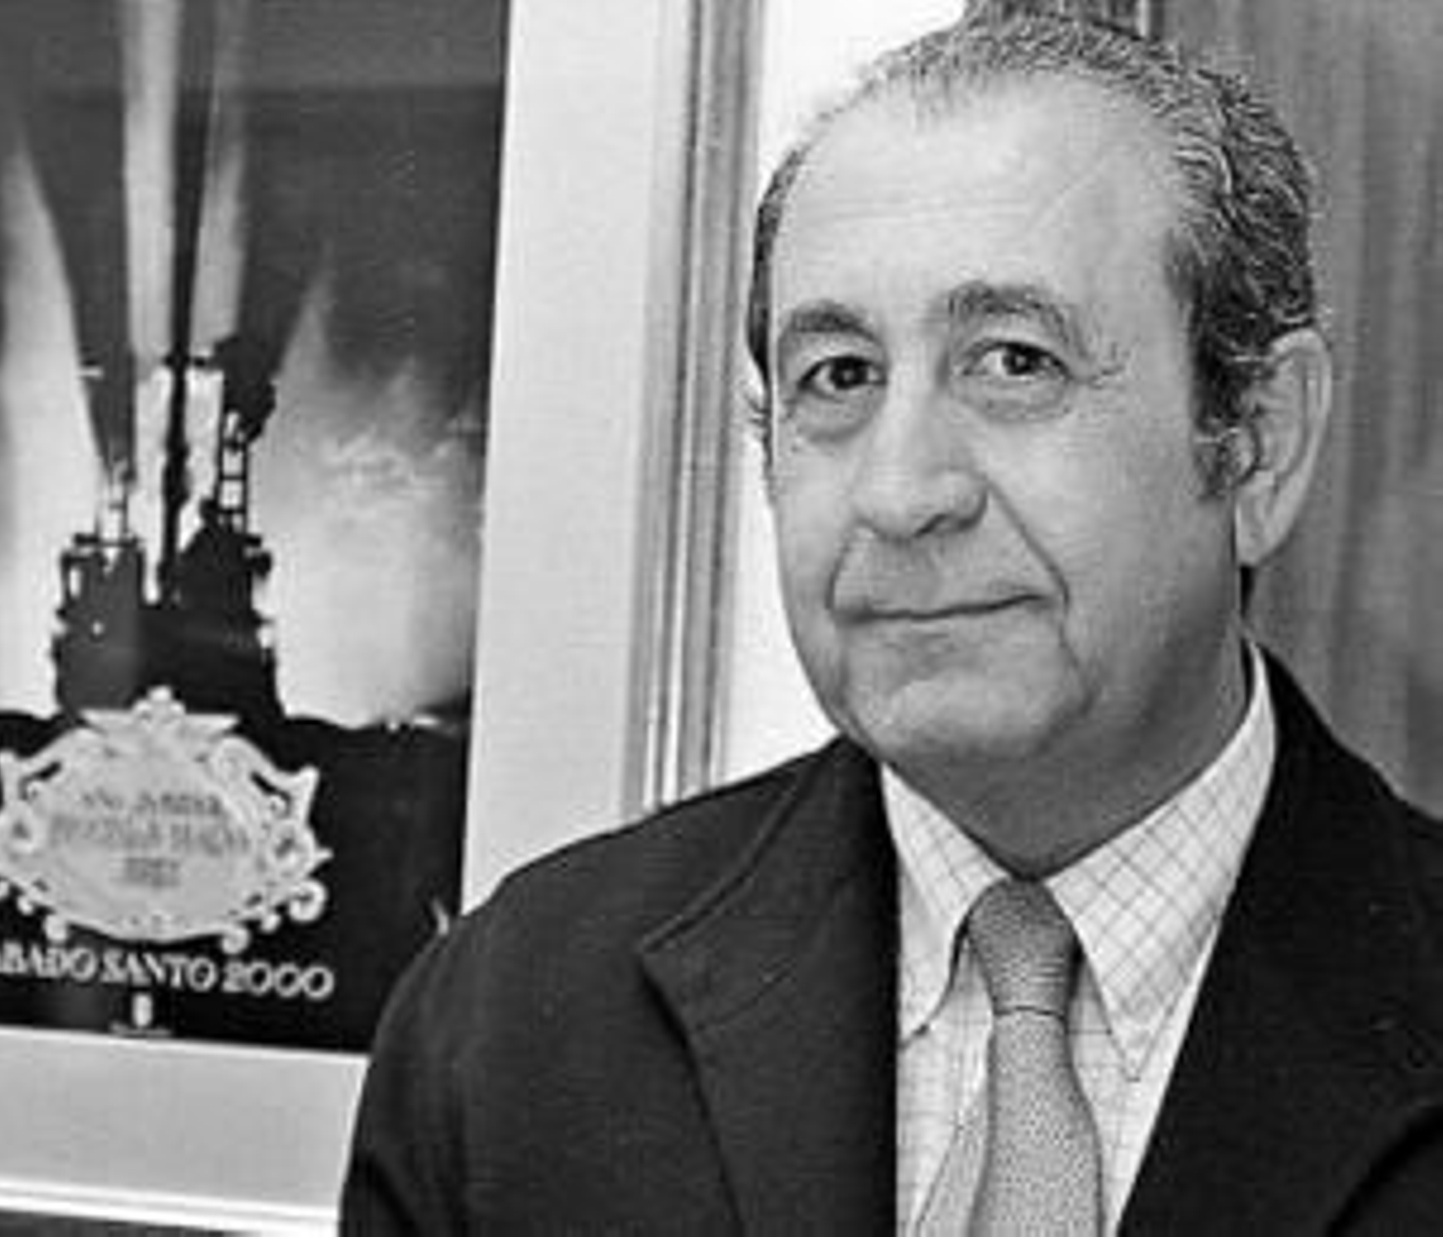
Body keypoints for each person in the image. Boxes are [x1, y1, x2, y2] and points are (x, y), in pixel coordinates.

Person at [341, 13, 1443, 1233]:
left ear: (1256, 443)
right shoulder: (509, 1028)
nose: (901, 491)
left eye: (1014, 361)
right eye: (840, 376)